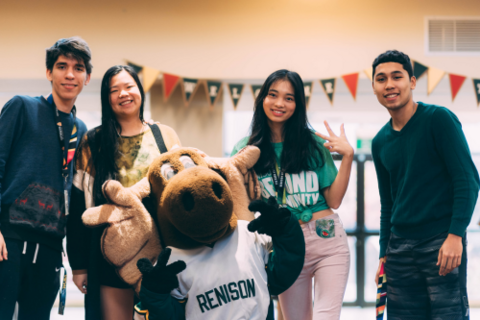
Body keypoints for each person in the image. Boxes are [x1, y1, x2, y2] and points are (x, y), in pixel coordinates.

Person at [231, 69, 353, 320]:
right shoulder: (245, 151)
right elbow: (241, 205)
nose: (279, 103)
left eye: (289, 98)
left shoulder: (313, 144)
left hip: (326, 236)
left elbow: (334, 200)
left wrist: (348, 157)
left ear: (298, 104)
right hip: (284, 245)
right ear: (262, 98)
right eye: (273, 95)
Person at [66, 65, 181, 320]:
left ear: (139, 90)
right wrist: (79, 265)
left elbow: (182, 193)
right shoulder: (93, 142)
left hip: (161, 250)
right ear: (106, 99)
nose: (123, 94)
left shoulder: (165, 135)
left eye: (129, 86)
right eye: (114, 90)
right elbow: (78, 206)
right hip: (111, 254)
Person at [371, 50, 480, 319]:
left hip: (440, 242)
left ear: (412, 81)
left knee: (448, 315)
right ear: (374, 87)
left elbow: (467, 180)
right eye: (381, 79)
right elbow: (388, 203)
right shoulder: (379, 141)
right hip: (398, 249)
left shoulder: (438, 119)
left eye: (397, 76)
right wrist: (384, 254)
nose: (389, 85)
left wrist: (455, 235)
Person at [0, 37, 91, 319]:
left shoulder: (80, 130)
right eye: (62, 66)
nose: (69, 74)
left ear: (87, 78)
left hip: (50, 250)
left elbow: (76, 199)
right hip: (9, 241)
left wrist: (77, 264)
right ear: (49, 72)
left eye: (78, 68)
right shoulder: (22, 107)